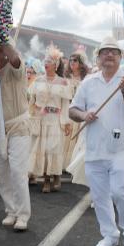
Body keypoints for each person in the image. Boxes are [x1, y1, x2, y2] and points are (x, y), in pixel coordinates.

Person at [69, 37, 124, 246]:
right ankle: (109, 234)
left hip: (122, 148)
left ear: (120, 57)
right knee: (100, 196)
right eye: (105, 52)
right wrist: (84, 114)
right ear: (98, 57)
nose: (109, 55)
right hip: (94, 148)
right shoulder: (89, 82)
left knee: (120, 190)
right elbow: (72, 110)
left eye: (114, 52)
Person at [0, 41, 33, 231]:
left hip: (18, 126)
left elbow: (15, 58)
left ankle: (23, 214)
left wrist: (1, 38)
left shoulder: (17, 68)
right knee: (2, 172)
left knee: (17, 171)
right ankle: (11, 210)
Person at [29, 46, 72, 192]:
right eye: (45, 61)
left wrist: (66, 122)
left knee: (54, 149)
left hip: (56, 120)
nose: (46, 63)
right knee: (44, 149)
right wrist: (34, 110)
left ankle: (56, 176)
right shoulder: (38, 80)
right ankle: (46, 180)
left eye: (49, 61)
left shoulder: (63, 82)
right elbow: (31, 100)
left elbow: (65, 105)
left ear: (56, 65)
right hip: (42, 119)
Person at [62, 51, 90, 170]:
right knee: (66, 138)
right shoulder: (65, 77)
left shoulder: (86, 79)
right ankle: (64, 164)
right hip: (67, 109)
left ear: (81, 63)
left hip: (79, 111)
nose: (72, 62)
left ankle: (74, 164)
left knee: (78, 138)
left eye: (75, 60)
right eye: (71, 60)